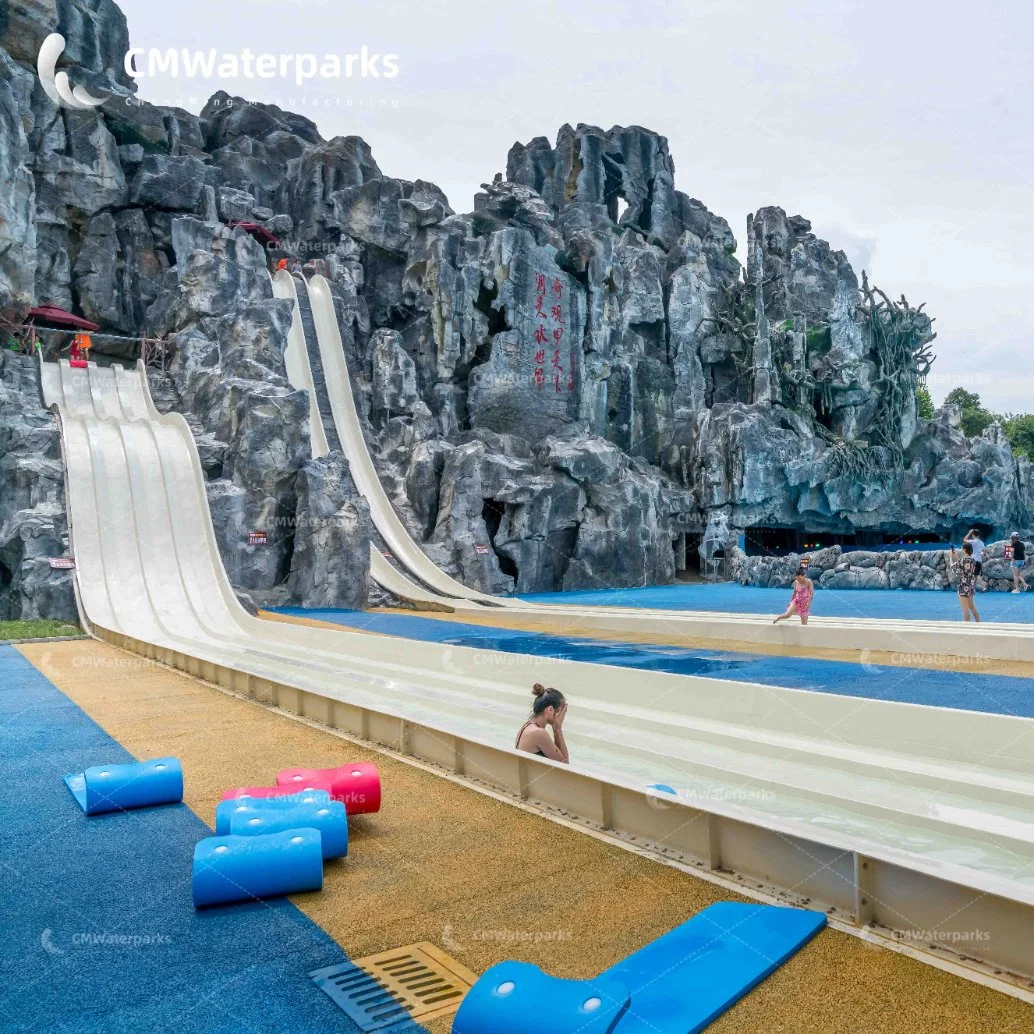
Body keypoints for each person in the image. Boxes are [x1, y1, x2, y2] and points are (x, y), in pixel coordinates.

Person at [515, 684, 569, 764]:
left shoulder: (527, 726)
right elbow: (565, 765)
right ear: (550, 710)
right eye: (560, 711)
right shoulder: (539, 733)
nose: (562, 716)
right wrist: (557, 728)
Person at [950, 542, 980, 621]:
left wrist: (951, 556)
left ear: (965, 549)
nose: (961, 549)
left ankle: (967, 628)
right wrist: (957, 558)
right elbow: (965, 565)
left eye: (962, 548)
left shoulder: (962, 560)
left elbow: (952, 567)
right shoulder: (973, 560)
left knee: (965, 609)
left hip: (963, 586)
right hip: (970, 585)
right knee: (972, 607)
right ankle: (979, 623)